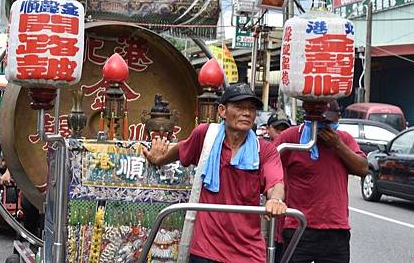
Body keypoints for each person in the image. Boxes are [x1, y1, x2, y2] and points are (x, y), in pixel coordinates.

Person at [143, 83, 287, 263]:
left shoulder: (264, 150)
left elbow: (276, 183)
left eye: (251, 109)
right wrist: (158, 159)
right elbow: (182, 149)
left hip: (248, 251)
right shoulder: (205, 136)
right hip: (206, 248)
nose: (247, 113)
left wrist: (276, 200)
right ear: (222, 111)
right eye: (240, 107)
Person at [274, 100, 368, 263]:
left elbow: (362, 169)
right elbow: (269, 164)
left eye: (329, 122)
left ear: (338, 118)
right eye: (319, 122)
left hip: (336, 229)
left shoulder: (344, 139)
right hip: (299, 227)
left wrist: (337, 145)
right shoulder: (292, 137)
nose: (324, 127)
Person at [264, 112, 291, 263]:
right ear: (268, 129)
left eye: (284, 129)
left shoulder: (292, 147)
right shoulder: (264, 149)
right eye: (277, 129)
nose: (281, 133)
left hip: (285, 212)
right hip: (267, 213)